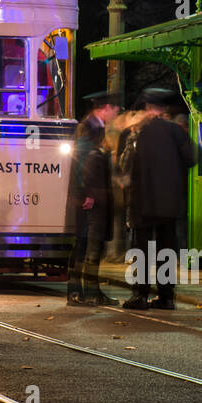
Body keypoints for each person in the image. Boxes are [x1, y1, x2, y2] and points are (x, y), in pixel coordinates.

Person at [121, 88, 197, 310]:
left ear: (147, 108)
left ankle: (140, 295)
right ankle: (166, 296)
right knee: (167, 248)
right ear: (164, 110)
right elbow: (192, 158)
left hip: (142, 201)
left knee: (141, 249)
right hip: (169, 202)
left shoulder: (137, 132)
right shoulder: (176, 131)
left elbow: (125, 165)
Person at [65, 92, 123, 307]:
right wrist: (86, 194)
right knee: (89, 246)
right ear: (106, 108)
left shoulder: (90, 126)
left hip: (90, 196)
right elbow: (82, 163)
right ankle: (85, 292)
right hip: (90, 198)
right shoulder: (91, 128)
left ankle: (83, 291)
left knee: (85, 245)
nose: (115, 115)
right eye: (115, 111)